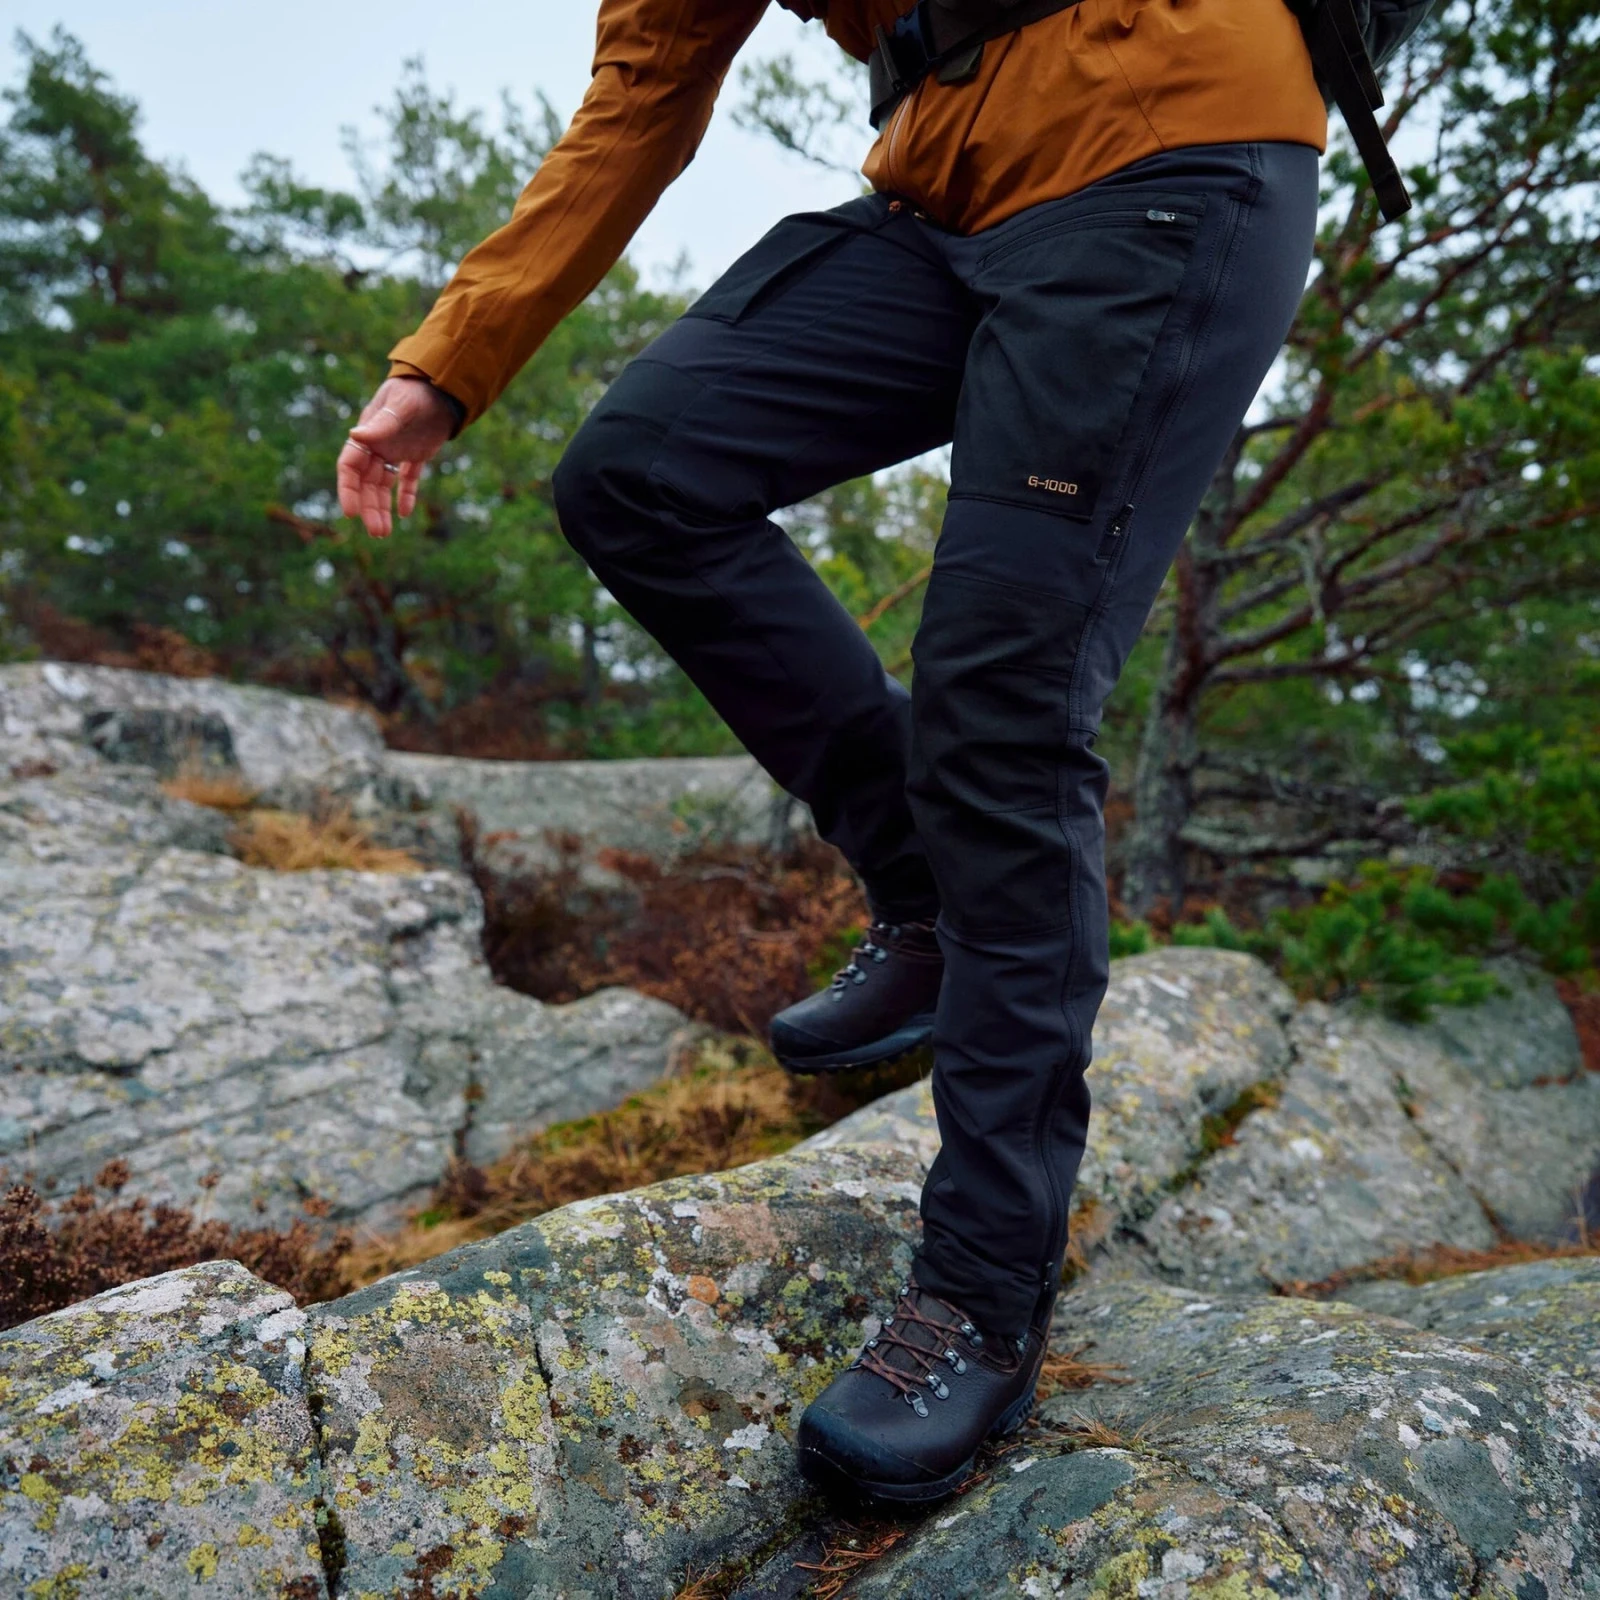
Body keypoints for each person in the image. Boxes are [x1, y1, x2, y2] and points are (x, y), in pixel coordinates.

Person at [337, 0, 1328, 1507]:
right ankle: (928, 888)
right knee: (640, 475)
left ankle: (982, 1296)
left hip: (1167, 152)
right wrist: (447, 361)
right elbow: (641, 96)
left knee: (1003, 711)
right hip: (943, 197)